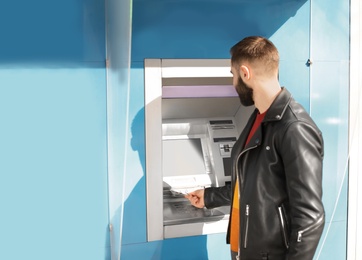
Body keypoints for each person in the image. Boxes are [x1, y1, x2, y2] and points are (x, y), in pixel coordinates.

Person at [185, 36, 325, 260]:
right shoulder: (258, 117)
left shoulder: (294, 128)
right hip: (246, 251)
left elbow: (310, 218)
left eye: (232, 75)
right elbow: (251, 184)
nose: (233, 83)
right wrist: (210, 197)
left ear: (245, 73)